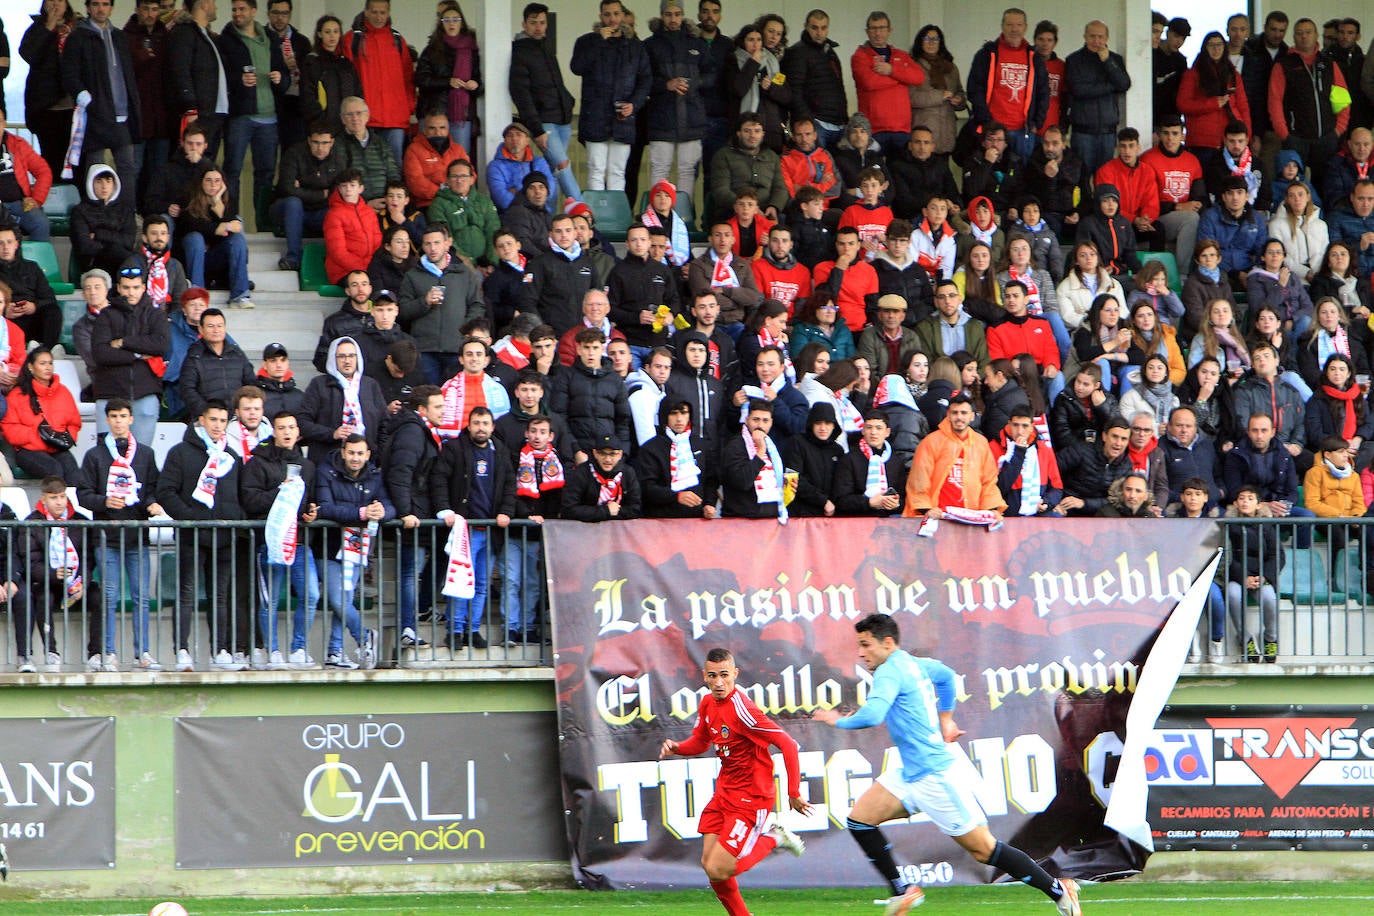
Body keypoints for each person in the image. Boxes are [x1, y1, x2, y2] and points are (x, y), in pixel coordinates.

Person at [813, 612, 1082, 915]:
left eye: (866, 645)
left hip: (935, 777)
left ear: (887, 643)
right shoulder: (911, 663)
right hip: (910, 772)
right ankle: (902, 891)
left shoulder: (890, 671)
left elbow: (873, 715)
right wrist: (947, 720)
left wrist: (838, 721)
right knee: (860, 820)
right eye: (859, 646)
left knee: (985, 850)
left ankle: (1059, 889)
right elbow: (946, 676)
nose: (861, 653)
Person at [660, 646, 808, 916]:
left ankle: (774, 837)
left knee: (720, 867)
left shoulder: (743, 710)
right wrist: (678, 747)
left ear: (735, 674)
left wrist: (793, 791)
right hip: (725, 793)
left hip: (752, 798)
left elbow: (787, 744)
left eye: (724, 675)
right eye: (713, 676)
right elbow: (702, 741)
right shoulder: (707, 703)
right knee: (709, 865)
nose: (719, 682)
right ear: (704, 676)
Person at [156, 399, 247, 672]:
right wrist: (189, 518)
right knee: (186, 595)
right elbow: (166, 492)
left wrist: (235, 521)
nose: (218, 426)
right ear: (201, 421)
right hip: (192, 536)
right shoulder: (181, 453)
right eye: (213, 420)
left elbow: (241, 496)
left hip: (224, 537)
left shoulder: (232, 457)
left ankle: (220, 650)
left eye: (223, 421)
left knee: (220, 597)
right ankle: (182, 651)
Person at [75, 397, 163, 671]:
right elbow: (83, 494)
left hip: (137, 537)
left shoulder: (146, 454)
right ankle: (109, 653)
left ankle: (143, 654)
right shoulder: (95, 455)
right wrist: (104, 502)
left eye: (123, 416)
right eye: (113, 416)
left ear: (131, 419)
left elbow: (153, 488)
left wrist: (151, 503)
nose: (118, 421)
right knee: (110, 597)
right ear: (107, 420)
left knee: (141, 598)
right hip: (107, 538)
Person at [238, 408, 319, 669]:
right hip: (270, 542)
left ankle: (298, 649)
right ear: (273, 431)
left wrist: (311, 512)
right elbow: (250, 500)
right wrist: (279, 492)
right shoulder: (258, 462)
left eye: (291, 428)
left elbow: (310, 501)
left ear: (298, 432)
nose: (287, 432)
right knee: (269, 599)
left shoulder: (307, 466)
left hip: (299, 541)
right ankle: (272, 650)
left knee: (311, 594)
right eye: (282, 428)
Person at [313, 433, 386, 668]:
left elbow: (389, 506)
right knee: (337, 599)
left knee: (342, 601)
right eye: (351, 453)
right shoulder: (326, 471)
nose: (355, 458)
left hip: (357, 549)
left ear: (367, 455)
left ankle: (335, 651)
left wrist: (382, 511)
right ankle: (365, 637)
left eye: (360, 454)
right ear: (343, 452)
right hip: (329, 547)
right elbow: (325, 508)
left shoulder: (375, 475)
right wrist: (362, 513)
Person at [59, 0, 142, 199]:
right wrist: (83, 96)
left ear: (112, 8)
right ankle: (95, 218)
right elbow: (69, 73)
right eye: (95, 4)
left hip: (122, 114)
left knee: (127, 167)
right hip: (94, 114)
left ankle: (126, 216)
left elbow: (128, 74)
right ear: (88, 7)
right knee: (95, 168)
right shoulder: (78, 37)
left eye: (106, 4)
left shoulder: (120, 36)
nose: (101, 8)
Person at [570, 0, 650, 193]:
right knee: (596, 169)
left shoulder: (635, 46)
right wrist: (599, 41)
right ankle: (595, 220)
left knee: (618, 171)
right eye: (607, 14)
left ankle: (616, 220)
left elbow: (646, 80)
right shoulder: (587, 41)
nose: (612, 19)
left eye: (616, 14)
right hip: (595, 117)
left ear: (622, 15)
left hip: (623, 118)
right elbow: (577, 68)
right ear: (600, 17)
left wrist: (634, 104)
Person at [508, 3, 579, 206]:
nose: (538, 27)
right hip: (544, 123)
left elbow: (557, 83)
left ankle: (549, 217)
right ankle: (584, 214)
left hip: (563, 119)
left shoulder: (546, 47)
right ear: (524, 24)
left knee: (554, 171)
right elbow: (521, 94)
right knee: (563, 165)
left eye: (542, 22)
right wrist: (537, 129)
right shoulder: (520, 51)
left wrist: (568, 101)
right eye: (533, 23)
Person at [89, 266, 168, 445]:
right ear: (118, 288)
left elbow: (161, 345)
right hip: (110, 393)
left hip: (145, 393)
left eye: (135, 287)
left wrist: (123, 343)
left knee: (141, 456)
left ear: (143, 287)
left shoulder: (155, 314)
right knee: (107, 458)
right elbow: (101, 354)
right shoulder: (106, 316)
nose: (131, 292)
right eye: (126, 288)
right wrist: (138, 355)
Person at [1269, 18, 1349, 194]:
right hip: (1296, 138)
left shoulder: (1328, 64)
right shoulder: (1284, 65)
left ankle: (1323, 221)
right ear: (1294, 37)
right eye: (1299, 33)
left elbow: (1343, 98)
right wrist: (1284, 134)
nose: (1304, 36)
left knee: (1327, 187)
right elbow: (1274, 102)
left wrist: (1338, 130)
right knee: (1294, 188)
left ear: (1316, 35)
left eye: (1308, 32)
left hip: (1326, 137)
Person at [903, 393, 1005, 519]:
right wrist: (927, 509)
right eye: (955, 413)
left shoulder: (981, 443)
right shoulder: (931, 442)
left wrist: (991, 510)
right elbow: (919, 481)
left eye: (964, 413)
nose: (959, 417)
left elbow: (989, 481)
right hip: (939, 517)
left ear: (972, 416)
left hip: (972, 518)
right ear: (948, 415)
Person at [967, 8, 1049, 162]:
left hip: (1023, 131)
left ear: (1025, 27)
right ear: (1002, 26)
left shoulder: (1034, 57)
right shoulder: (987, 54)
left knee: (1022, 178)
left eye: (1019, 24)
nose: (1014, 29)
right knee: (990, 176)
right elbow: (974, 89)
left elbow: (1044, 92)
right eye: (1010, 24)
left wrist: (1037, 122)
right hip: (992, 133)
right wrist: (986, 121)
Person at [343, 0, 414, 166]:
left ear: (389, 13)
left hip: (395, 118)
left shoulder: (398, 40)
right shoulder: (353, 39)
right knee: (363, 166)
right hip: (364, 118)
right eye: (374, 12)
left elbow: (408, 77)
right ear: (366, 12)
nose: (379, 17)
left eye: (383, 12)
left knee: (394, 166)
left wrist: (408, 106)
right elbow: (345, 78)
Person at [271, 123, 346, 271]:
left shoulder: (339, 159)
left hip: (318, 213)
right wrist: (320, 193)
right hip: (285, 211)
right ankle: (293, 258)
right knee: (294, 203)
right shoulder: (294, 154)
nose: (320, 148)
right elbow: (287, 189)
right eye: (316, 142)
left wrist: (302, 187)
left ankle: (334, 261)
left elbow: (335, 194)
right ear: (309, 141)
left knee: (338, 212)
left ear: (332, 143)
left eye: (325, 143)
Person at [21, 0, 81, 181]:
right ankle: (52, 203)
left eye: (60, 0)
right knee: (51, 161)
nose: (56, 3)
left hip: (76, 108)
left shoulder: (79, 27)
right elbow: (28, 54)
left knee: (76, 162)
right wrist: (49, 25)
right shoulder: (38, 28)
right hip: (47, 108)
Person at [1223, 484, 1283, 664]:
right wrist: (1243, 578)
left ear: (1258, 504)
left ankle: (1270, 638)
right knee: (1233, 595)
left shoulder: (1266, 526)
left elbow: (1277, 555)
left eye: (1250, 498)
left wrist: (1264, 577)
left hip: (1261, 577)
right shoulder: (1227, 526)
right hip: (1237, 577)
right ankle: (1245, 639)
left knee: (1269, 598)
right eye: (1241, 498)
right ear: (1235, 503)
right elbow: (1227, 556)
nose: (1245, 502)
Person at [176, 168, 253, 308]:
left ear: (223, 184)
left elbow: (235, 227)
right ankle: (196, 295)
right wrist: (217, 228)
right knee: (195, 238)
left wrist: (217, 203)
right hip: (193, 260)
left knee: (237, 240)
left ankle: (240, 296)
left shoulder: (227, 200)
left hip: (215, 259)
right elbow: (189, 225)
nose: (213, 185)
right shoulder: (188, 198)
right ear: (201, 183)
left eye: (217, 181)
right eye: (208, 181)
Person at [850, 12, 923, 159]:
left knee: (900, 175)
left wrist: (892, 70)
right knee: (874, 176)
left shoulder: (901, 55)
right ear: (867, 31)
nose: (878, 33)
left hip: (901, 130)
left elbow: (919, 77)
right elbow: (869, 82)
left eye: (882, 28)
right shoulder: (860, 56)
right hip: (873, 130)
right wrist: (901, 77)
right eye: (873, 28)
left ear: (890, 30)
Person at [2, 346, 80, 481]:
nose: (48, 367)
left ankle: (70, 503)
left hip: (57, 446)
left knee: (75, 476)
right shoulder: (17, 394)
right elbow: (9, 429)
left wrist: (65, 438)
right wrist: (36, 436)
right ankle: (50, 502)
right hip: (28, 451)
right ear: (31, 367)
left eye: (50, 363)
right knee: (54, 471)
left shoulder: (63, 392)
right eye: (42, 363)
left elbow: (74, 423)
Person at [1063, 20, 1131, 176]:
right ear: (1085, 37)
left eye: (1101, 37)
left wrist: (1107, 61)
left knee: (1105, 178)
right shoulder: (1074, 60)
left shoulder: (1115, 59)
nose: (1097, 41)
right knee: (1082, 178)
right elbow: (1079, 90)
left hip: (1108, 132)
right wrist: (1110, 87)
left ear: (1107, 38)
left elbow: (1124, 84)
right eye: (1092, 36)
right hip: (1082, 132)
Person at [299, 336, 386, 456]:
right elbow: (303, 423)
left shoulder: (370, 385)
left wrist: (378, 455)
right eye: (341, 356)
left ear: (358, 358)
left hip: (365, 461)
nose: (347, 360)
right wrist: (332, 434)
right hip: (328, 458)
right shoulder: (318, 385)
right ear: (333, 359)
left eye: (351, 356)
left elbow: (384, 424)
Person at [780, 9, 847, 151]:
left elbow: (839, 88)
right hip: (816, 124)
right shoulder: (797, 52)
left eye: (823, 28)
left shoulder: (830, 51)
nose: (819, 32)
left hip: (838, 122)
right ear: (806, 26)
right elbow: (794, 90)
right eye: (815, 27)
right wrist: (807, 121)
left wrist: (844, 119)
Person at [709, 114, 787, 224]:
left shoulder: (771, 156)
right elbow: (721, 191)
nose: (752, 135)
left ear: (763, 134)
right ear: (739, 134)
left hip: (766, 210)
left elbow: (780, 188)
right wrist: (747, 207)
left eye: (757, 131)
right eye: (747, 131)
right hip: (733, 210)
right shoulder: (723, 155)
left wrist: (774, 206)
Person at [719, 399, 789, 520]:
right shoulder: (735, 445)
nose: (760, 425)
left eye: (765, 420)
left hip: (770, 518)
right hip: (741, 521)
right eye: (756, 420)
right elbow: (743, 482)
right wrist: (760, 451)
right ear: (747, 420)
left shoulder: (772, 447)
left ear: (771, 423)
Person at [831, 408, 906, 517]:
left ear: (887, 432)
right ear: (863, 430)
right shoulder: (849, 459)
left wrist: (897, 504)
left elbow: (903, 498)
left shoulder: (895, 462)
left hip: (886, 525)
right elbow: (840, 500)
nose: (873, 432)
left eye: (879, 428)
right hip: (856, 523)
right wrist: (869, 502)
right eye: (869, 427)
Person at [908, 25, 965, 162]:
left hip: (946, 129)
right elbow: (911, 97)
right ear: (920, 41)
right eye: (927, 38)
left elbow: (960, 92)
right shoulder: (912, 66)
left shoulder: (950, 67)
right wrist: (940, 96)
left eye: (935, 39)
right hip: (924, 129)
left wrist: (959, 100)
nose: (931, 42)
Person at [991, 408, 1063, 515]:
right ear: (1009, 424)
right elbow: (999, 489)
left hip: (1037, 513)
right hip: (1007, 515)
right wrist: (1019, 453)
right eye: (1015, 425)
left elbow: (1057, 487)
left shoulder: (1044, 450)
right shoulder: (994, 447)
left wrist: (1047, 502)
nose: (1020, 431)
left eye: (1025, 426)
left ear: (1032, 427)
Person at [427, 159, 498, 270]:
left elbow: (493, 231)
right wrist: (464, 261)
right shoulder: (438, 204)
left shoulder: (484, 201)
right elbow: (444, 238)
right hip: (457, 265)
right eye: (454, 176)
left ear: (472, 179)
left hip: (486, 264)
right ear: (447, 181)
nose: (459, 180)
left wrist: (491, 263)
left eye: (464, 176)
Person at [0, 100, 53, 243]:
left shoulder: (18, 144)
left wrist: (36, 199)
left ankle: (39, 265)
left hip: (19, 204)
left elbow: (43, 171)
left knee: (40, 223)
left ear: (4, 123)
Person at [0, 225, 60, 349]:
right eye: (0, 243)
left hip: (32, 318)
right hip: (6, 321)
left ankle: (48, 351)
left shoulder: (32, 267)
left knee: (53, 311)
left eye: (9, 242)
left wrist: (34, 306)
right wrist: (4, 311)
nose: (5, 247)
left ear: (16, 245)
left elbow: (49, 297)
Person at [299, 14, 361, 132]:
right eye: (327, 32)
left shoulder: (346, 62)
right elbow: (308, 96)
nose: (332, 36)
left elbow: (357, 91)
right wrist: (319, 119)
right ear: (319, 34)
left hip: (347, 125)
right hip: (323, 126)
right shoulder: (312, 61)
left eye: (336, 31)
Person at [121, 215, 187, 310]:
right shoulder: (132, 262)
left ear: (168, 237)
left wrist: (172, 319)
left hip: (168, 319)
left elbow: (179, 299)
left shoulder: (175, 265)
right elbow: (129, 297)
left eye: (163, 233)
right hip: (141, 317)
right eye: (154, 233)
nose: (159, 237)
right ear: (144, 237)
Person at [1154, 16, 1190, 124]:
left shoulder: (1181, 61)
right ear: (1167, 33)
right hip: (1151, 115)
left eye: (1183, 38)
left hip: (1172, 118)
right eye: (1176, 36)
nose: (1179, 42)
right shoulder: (1152, 54)